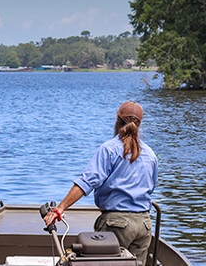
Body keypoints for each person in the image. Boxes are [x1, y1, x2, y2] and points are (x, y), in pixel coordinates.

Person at [43, 101, 158, 266]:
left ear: (117, 121)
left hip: (117, 223)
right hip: (144, 224)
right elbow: (151, 187)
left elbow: (87, 182)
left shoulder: (109, 149)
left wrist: (60, 208)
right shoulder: (150, 154)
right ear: (140, 125)